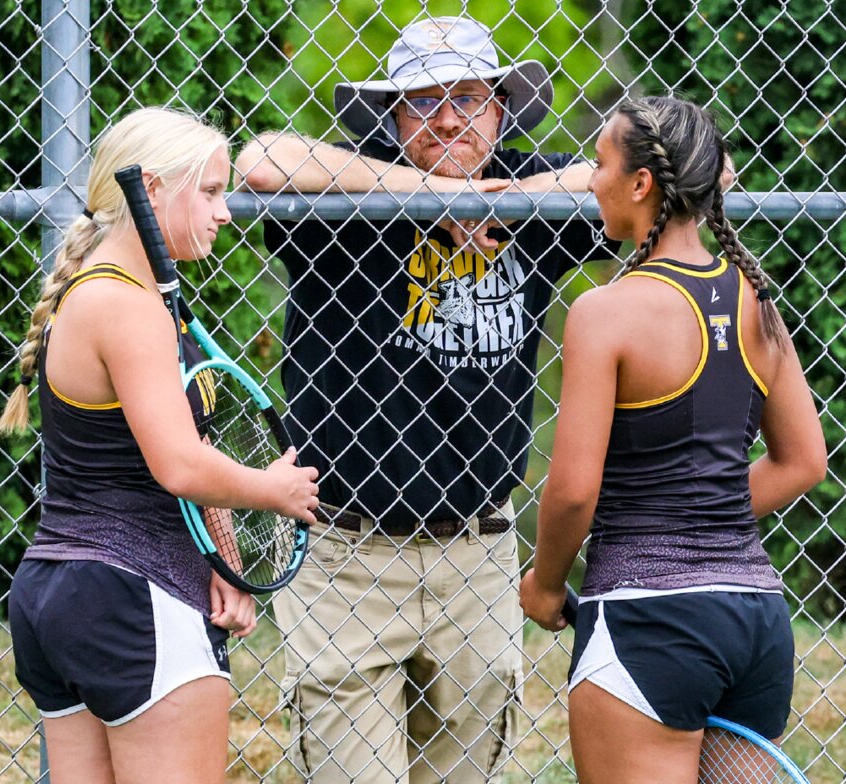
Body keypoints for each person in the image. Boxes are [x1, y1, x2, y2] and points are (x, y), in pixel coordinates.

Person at [235, 16, 617, 784]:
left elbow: (688, 166)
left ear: (503, 110)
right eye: (423, 101)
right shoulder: (346, 193)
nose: (448, 118)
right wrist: (428, 193)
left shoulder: (529, 192)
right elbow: (258, 160)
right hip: (345, 550)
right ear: (391, 116)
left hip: (475, 553)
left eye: (470, 98)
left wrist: (497, 200)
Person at [0, 107, 319, 784]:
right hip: (132, 594)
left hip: (58, 594)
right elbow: (177, 465)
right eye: (207, 192)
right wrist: (276, 490)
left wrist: (226, 563)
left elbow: (178, 442)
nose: (224, 212)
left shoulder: (109, 295)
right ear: (148, 190)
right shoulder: (128, 306)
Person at [519, 95, 827, 783]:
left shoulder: (606, 313)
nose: (590, 178)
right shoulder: (755, 298)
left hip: (649, 623)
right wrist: (703, 517)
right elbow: (805, 461)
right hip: (756, 621)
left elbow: (572, 491)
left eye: (599, 163)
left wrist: (544, 585)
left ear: (641, 184)